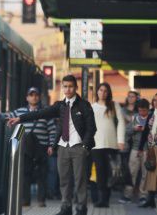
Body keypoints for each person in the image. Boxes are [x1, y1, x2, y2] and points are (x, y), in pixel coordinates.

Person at [6, 75, 96, 215]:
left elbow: (92, 128)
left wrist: (84, 146)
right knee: (64, 180)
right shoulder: (60, 105)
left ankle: (81, 208)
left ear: (76, 87)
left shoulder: (84, 105)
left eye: (70, 86)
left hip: (79, 148)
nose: (68, 89)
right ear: (62, 88)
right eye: (65, 86)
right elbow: (40, 113)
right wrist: (20, 118)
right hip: (62, 148)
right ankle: (66, 207)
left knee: (80, 180)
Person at [0, 87, 57, 207]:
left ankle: (41, 200)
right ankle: (25, 200)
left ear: (39, 97)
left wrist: (51, 146)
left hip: (41, 147)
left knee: (41, 174)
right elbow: (8, 117)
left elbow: (52, 131)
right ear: (27, 98)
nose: (34, 97)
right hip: (25, 148)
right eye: (31, 95)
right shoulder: (20, 112)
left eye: (36, 95)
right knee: (25, 174)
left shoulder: (46, 113)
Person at [91, 83, 125, 208]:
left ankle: (106, 200)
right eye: (101, 90)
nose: (103, 93)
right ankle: (101, 199)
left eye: (105, 91)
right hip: (96, 145)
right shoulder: (92, 107)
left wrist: (121, 140)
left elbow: (121, 123)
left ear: (108, 92)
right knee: (100, 173)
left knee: (110, 172)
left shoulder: (114, 105)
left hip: (112, 144)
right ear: (97, 92)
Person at [121, 98, 151, 204]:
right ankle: (127, 194)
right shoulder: (135, 118)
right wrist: (134, 128)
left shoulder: (152, 119)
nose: (142, 113)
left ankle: (143, 195)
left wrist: (147, 130)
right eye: (140, 110)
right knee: (132, 172)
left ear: (148, 109)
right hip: (135, 148)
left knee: (145, 173)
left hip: (147, 150)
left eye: (144, 111)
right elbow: (126, 130)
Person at [117, 91, 139, 203]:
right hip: (124, 143)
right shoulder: (122, 110)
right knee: (125, 169)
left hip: (136, 144)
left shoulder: (138, 111)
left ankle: (131, 192)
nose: (130, 98)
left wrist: (129, 125)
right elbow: (121, 126)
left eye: (133, 96)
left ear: (136, 98)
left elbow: (137, 127)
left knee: (134, 169)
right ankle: (126, 191)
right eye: (129, 96)